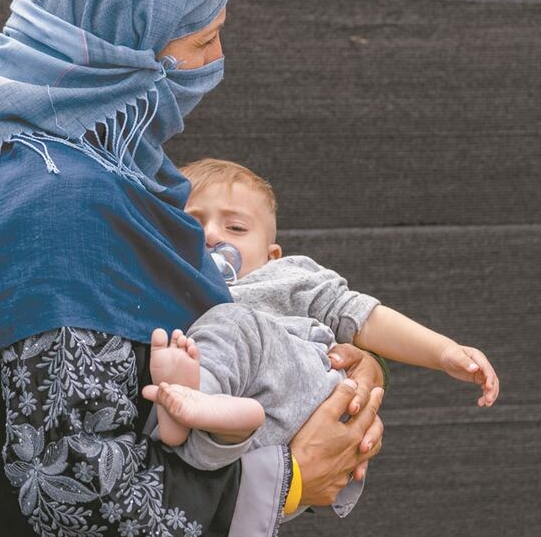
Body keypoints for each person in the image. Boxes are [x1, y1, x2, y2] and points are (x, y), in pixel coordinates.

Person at [0, 0, 385, 537]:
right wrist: (289, 477)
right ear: (122, 46)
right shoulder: (63, 209)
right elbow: (78, 491)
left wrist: (321, 366)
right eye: (201, 40)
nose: (215, 62)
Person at [142, 158, 499, 518]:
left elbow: (363, 315)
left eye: (235, 227)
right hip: (249, 446)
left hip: (301, 390)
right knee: (182, 370)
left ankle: (189, 402)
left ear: (272, 255)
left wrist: (442, 351)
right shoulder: (169, 288)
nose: (211, 236)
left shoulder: (285, 277)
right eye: (191, 224)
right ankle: (207, 421)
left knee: (230, 322)